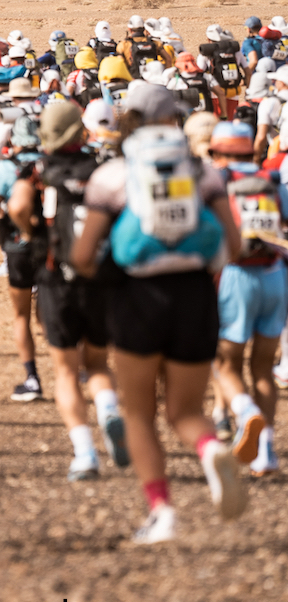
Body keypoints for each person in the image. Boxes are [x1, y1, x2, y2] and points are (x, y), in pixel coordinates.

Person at [71, 82, 246, 543]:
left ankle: (162, 511)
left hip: (137, 297)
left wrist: (103, 275)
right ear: (174, 119)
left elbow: (83, 255)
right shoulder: (203, 173)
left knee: (139, 413)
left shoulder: (113, 176)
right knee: (186, 411)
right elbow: (234, 246)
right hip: (195, 295)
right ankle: (209, 448)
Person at [7, 99, 131, 481]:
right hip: (97, 277)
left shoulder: (38, 170)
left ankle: (84, 454)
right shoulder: (102, 170)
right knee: (97, 364)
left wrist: (32, 233)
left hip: (55, 277)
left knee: (65, 370)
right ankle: (108, 408)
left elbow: (17, 207)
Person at [207, 121, 284, 476]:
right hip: (274, 275)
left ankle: (244, 410)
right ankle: (265, 451)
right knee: (264, 368)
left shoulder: (218, 181)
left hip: (236, 276)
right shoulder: (272, 180)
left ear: (218, 152)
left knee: (227, 363)